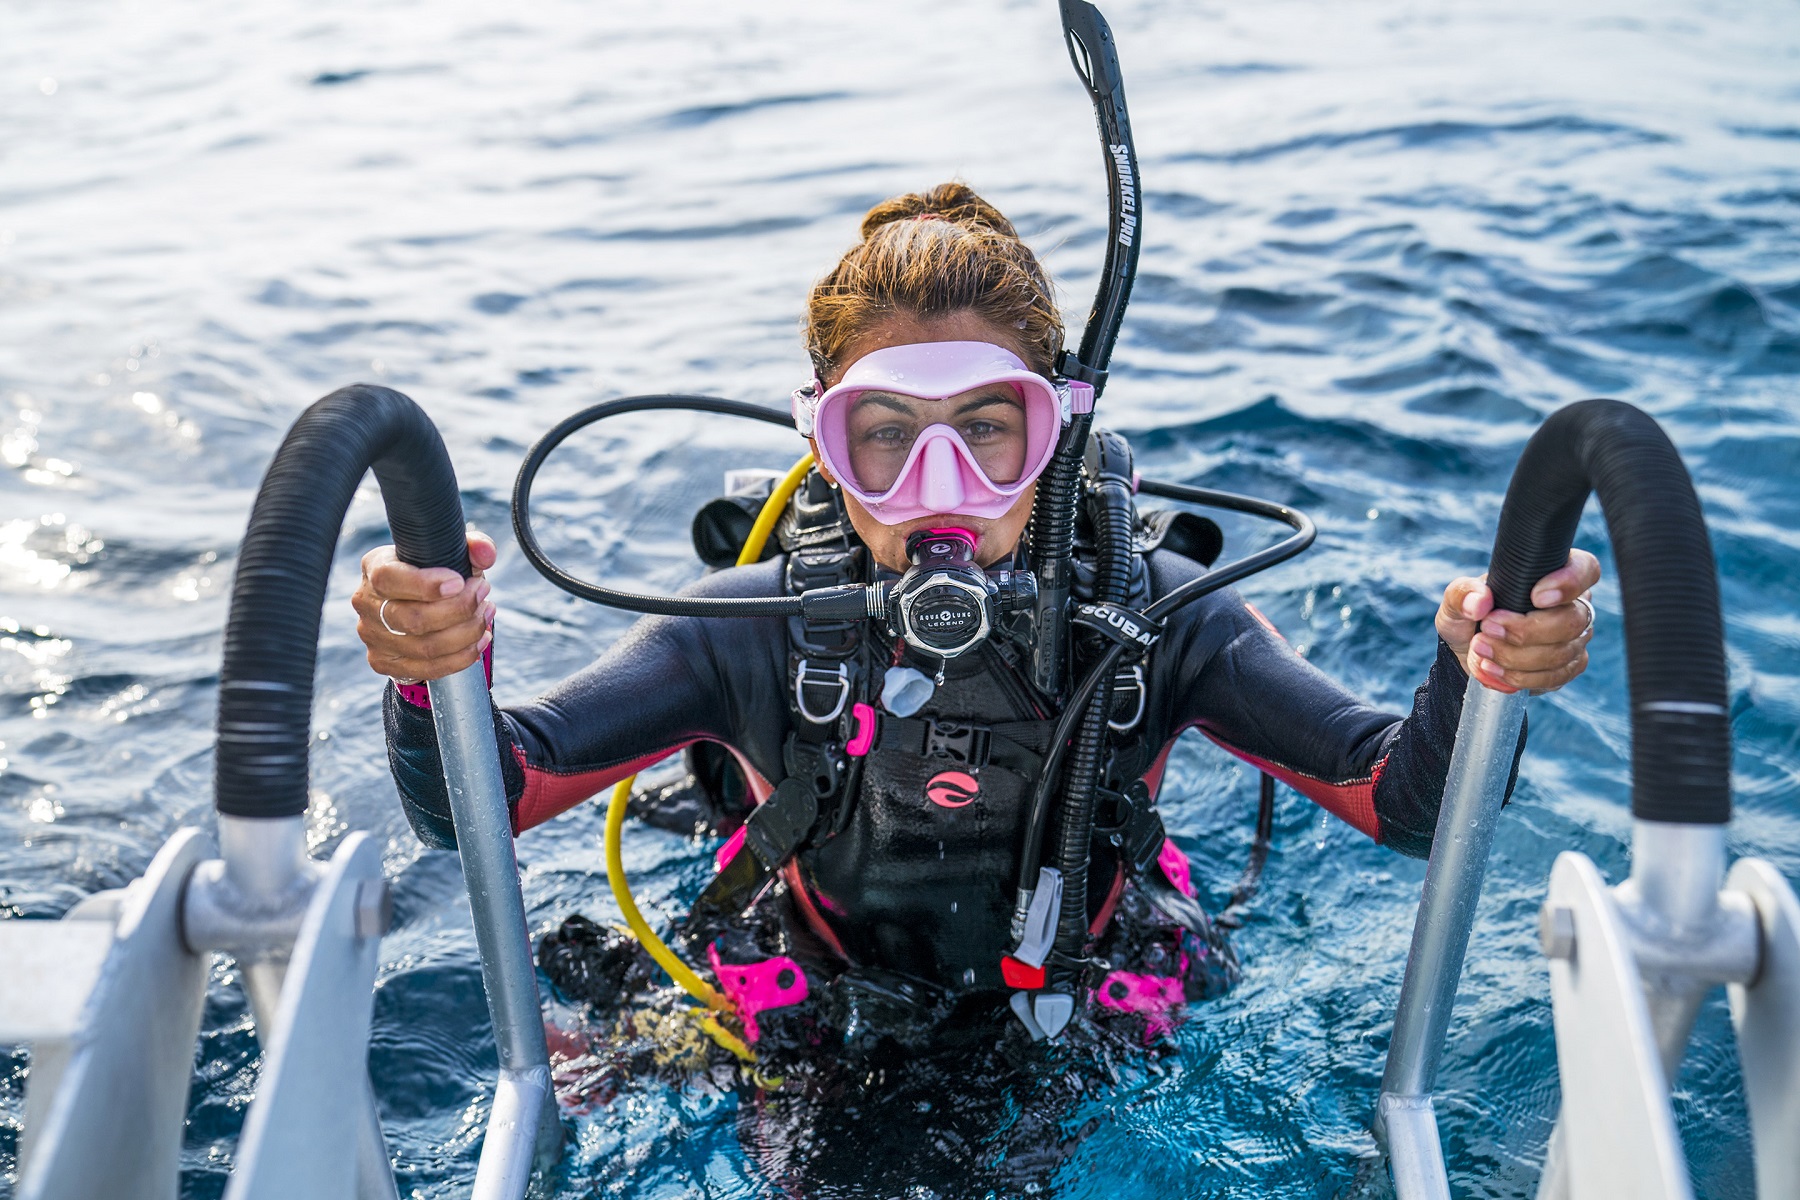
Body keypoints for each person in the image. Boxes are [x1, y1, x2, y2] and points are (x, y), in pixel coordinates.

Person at [352, 183, 1599, 1060]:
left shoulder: (1158, 621)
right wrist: (432, 673)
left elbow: (1409, 804)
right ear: (824, 448)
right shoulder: (743, 630)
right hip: (811, 986)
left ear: (1052, 431)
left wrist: (1477, 673)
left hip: (1089, 978)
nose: (939, 492)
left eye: (988, 432)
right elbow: (479, 801)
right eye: (886, 437)